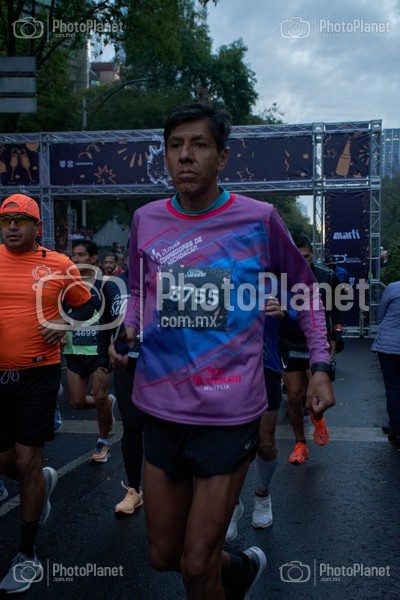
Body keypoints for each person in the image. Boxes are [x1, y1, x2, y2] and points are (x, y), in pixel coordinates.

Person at [109, 102, 335, 599]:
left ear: (223, 156)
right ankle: (241, 570)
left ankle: (219, 572)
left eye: (199, 144)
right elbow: (140, 289)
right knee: (164, 556)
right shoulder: (147, 219)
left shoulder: (259, 218)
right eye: (175, 145)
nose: (185, 155)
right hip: (160, 407)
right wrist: (128, 329)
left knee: (195, 565)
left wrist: (320, 363)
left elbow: (304, 288)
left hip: (229, 412)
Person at [0, 194, 93, 594]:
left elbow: (88, 305)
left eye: (21, 220)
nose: (12, 226)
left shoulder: (58, 263)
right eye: (6, 220)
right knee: (9, 464)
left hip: (38, 374)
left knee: (26, 459)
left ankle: (27, 555)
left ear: (37, 226)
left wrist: (65, 321)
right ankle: (40, 483)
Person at [279, 234, 345, 465]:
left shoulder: (327, 276)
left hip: (316, 341)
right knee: (293, 396)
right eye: (296, 257)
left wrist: (337, 333)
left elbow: (339, 308)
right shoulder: (279, 277)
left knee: (314, 395)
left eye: (306, 257)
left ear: (313, 254)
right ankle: (300, 443)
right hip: (288, 341)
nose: (301, 262)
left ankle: (318, 417)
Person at [226, 297, 285, 541]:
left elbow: (305, 317)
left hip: (266, 368)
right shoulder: (216, 279)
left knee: (265, 442)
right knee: (229, 443)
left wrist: (284, 312)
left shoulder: (277, 283)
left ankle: (263, 494)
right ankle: (231, 504)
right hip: (226, 369)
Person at [97, 248, 144, 514]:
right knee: (133, 425)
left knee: (164, 429)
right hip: (127, 364)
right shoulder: (114, 284)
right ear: (127, 257)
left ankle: (171, 487)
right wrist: (103, 360)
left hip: (163, 366)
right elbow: (105, 324)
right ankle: (134, 489)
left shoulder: (169, 283)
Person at [62, 239, 116, 463]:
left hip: (99, 351)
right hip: (74, 350)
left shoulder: (106, 285)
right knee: (76, 402)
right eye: (73, 255)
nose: (75, 259)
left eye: (81, 255)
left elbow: (117, 315)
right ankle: (107, 404)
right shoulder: (66, 285)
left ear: (94, 258)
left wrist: (114, 342)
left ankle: (103, 442)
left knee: (99, 395)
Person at [371, 279, 400, 446]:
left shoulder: (393, 288)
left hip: (389, 346)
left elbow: (380, 315)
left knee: (393, 388)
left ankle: (396, 427)